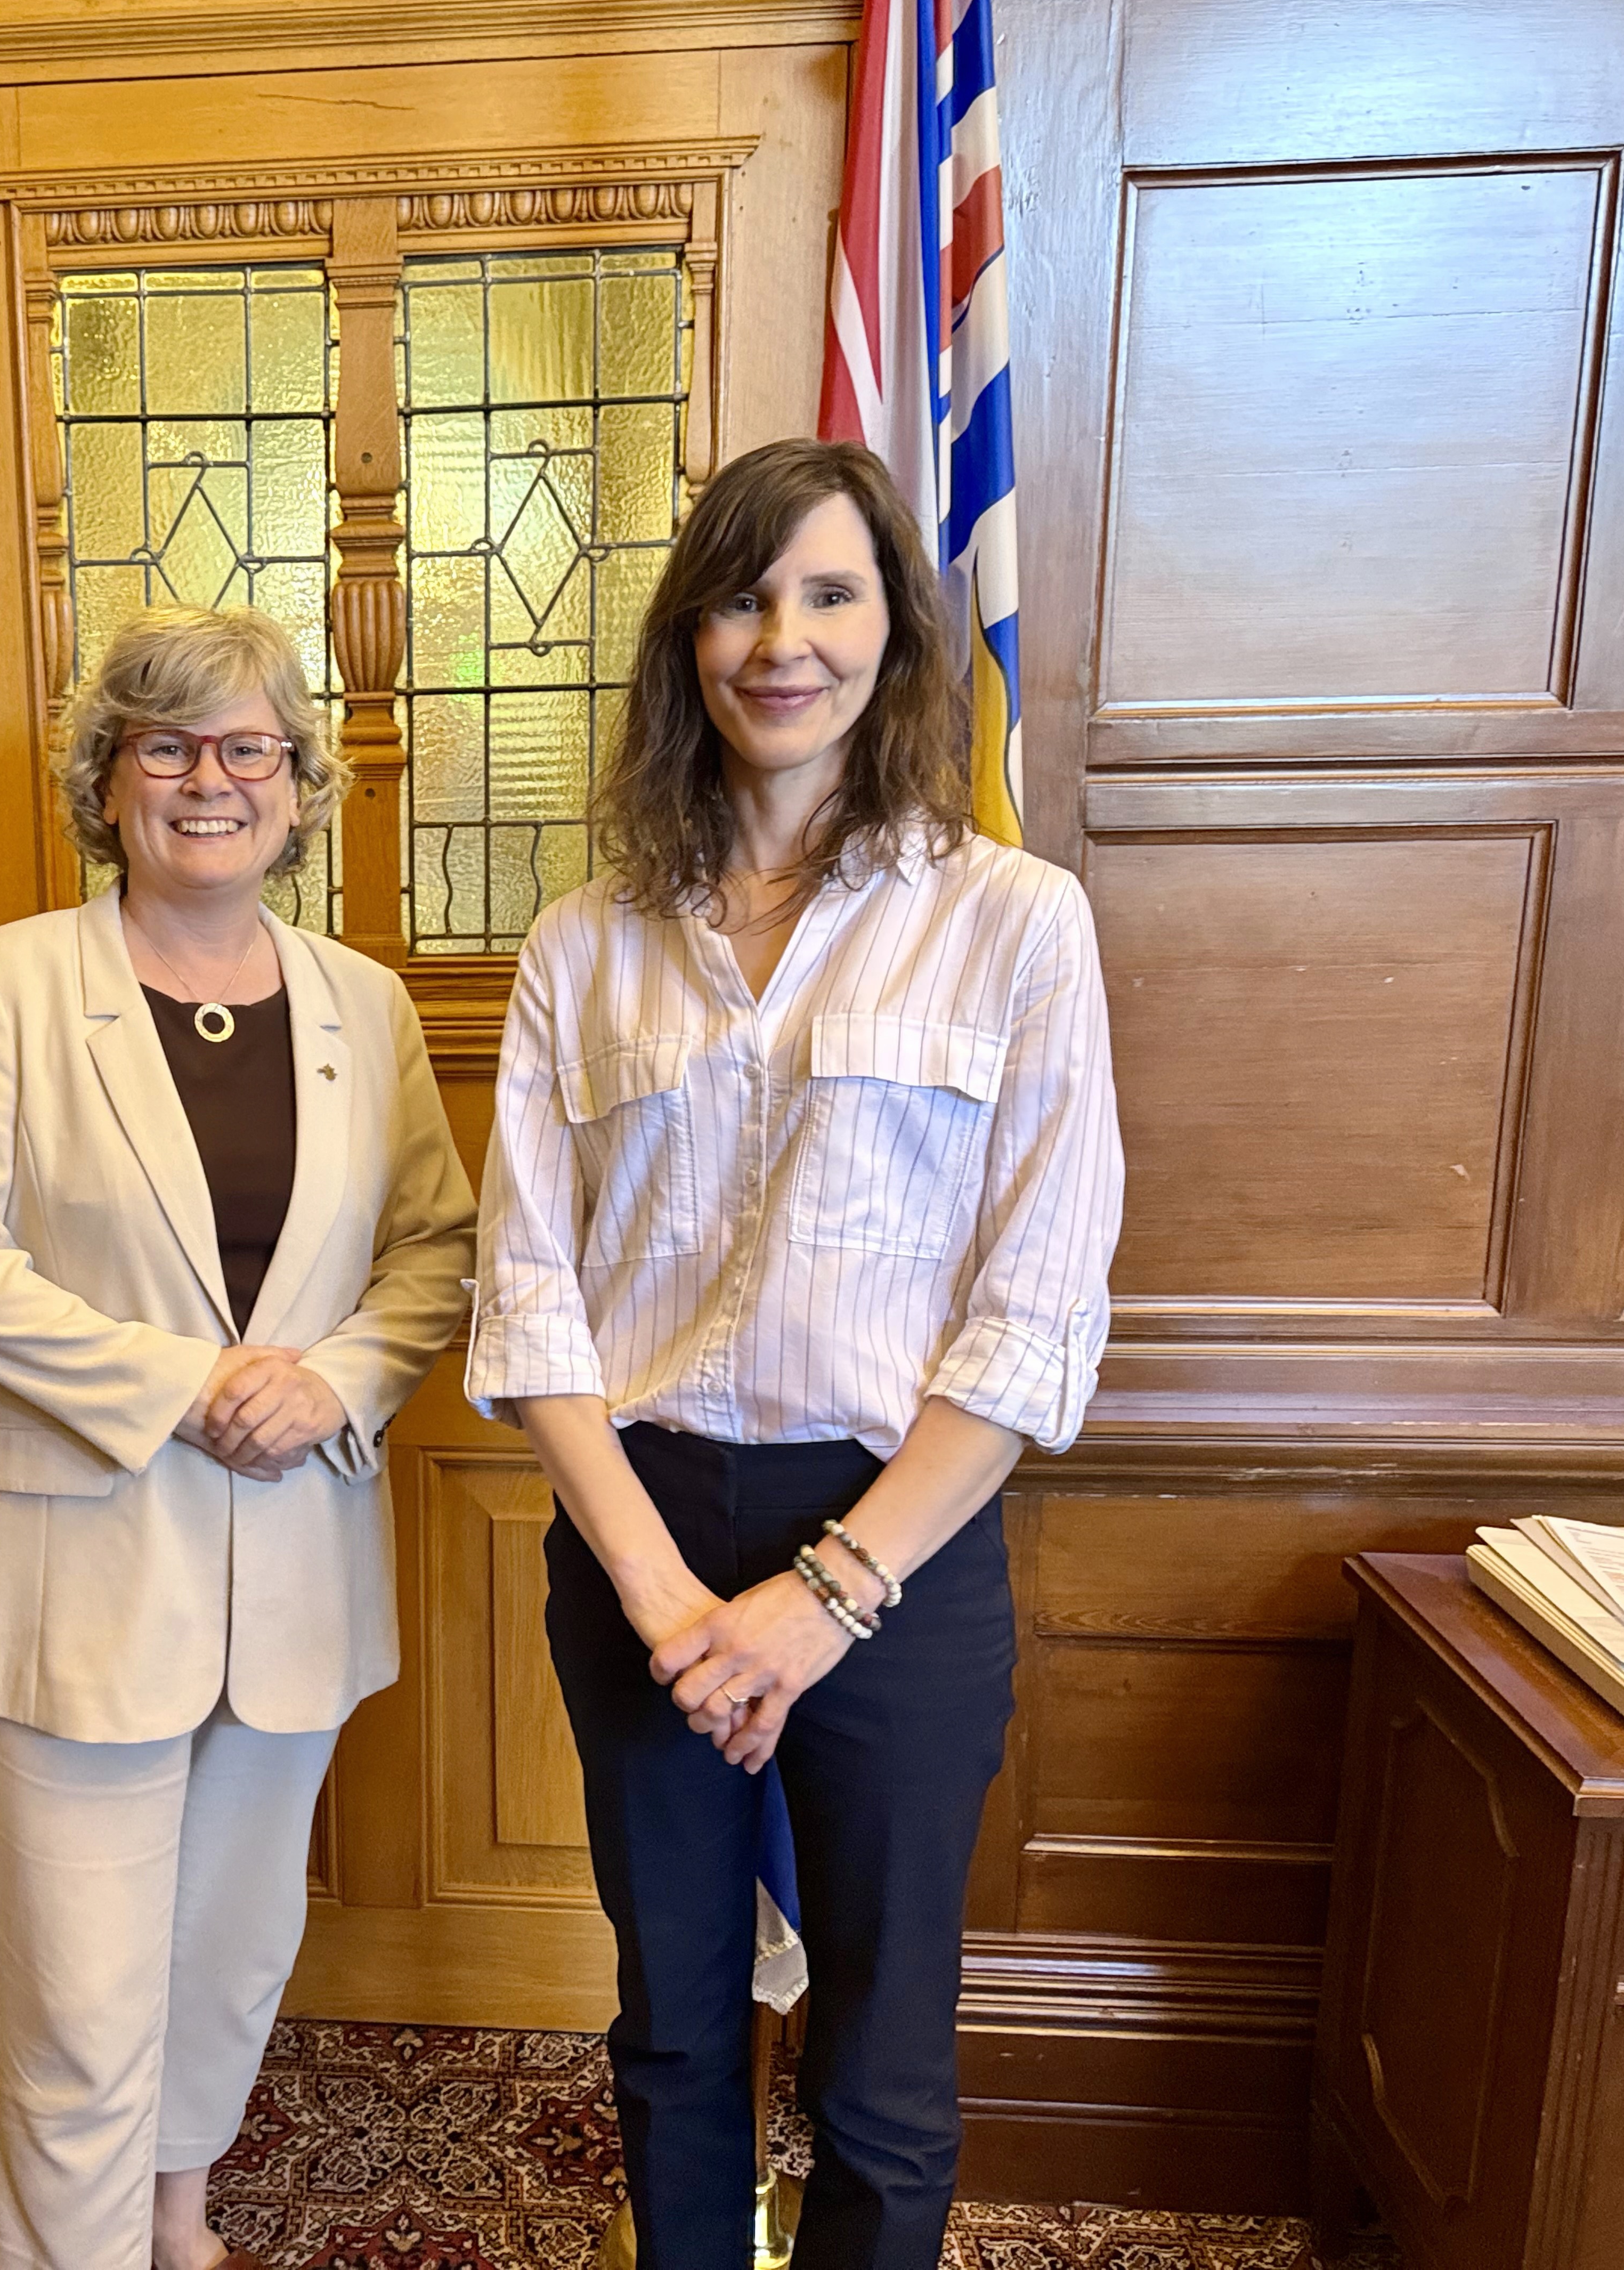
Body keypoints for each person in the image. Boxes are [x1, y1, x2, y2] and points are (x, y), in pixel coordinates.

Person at [467, 440, 1124, 2270]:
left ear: (896, 628)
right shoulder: (584, 944)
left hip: (900, 1541)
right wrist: (673, 1602)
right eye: (743, 599)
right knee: (674, 2027)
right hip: (642, 1535)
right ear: (688, 638)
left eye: (830, 595)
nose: (783, 641)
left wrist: (827, 1595)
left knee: (884, 2064)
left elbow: (1036, 1313)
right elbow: (529, 1300)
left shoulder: (1015, 922)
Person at [0, 605, 475, 2270]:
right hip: (78, 1576)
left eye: (248, 747)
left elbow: (436, 1248)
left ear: (297, 787)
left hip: (291, 1573)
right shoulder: (5, 984)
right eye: (167, 744)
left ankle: (176, 2221)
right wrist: (181, 1384)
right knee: (77, 2007)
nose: (210, 778)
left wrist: (340, 1377)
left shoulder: (365, 1002)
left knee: (225, 1960)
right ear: (108, 779)